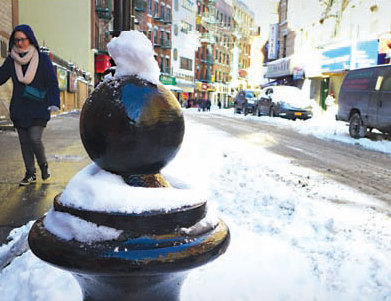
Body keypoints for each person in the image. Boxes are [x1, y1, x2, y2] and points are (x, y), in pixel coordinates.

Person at [0, 24, 60, 186]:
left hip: (39, 107)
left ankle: (43, 165)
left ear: (30, 39)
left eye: (23, 39)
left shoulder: (42, 58)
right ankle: (30, 173)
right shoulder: (12, 60)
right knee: (24, 142)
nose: (19, 43)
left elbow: (52, 82)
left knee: (34, 139)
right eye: (16, 40)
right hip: (20, 108)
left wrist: (54, 102)